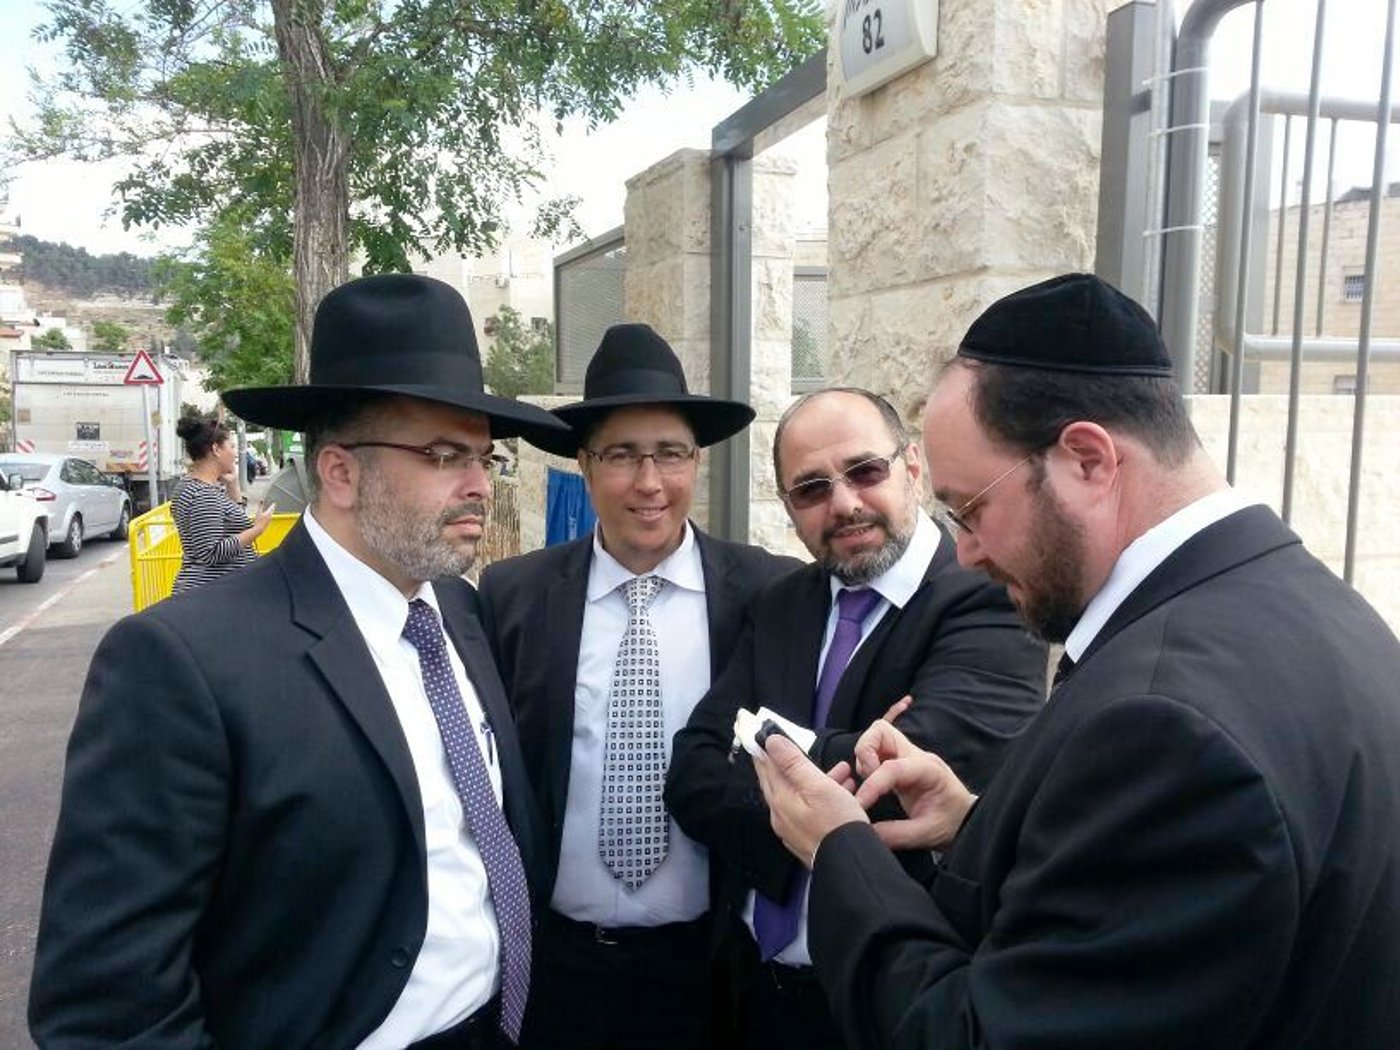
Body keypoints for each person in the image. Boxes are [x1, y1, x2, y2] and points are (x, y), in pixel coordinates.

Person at [753, 273, 1400, 1050]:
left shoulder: (1163, 728)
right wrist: (975, 826)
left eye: (972, 510)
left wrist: (839, 852)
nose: (968, 552)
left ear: (1088, 460)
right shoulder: (1332, 614)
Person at [30, 274, 571, 1050]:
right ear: (341, 472)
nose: (480, 485)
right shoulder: (181, 663)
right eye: (445, 455)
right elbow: (108, 1004)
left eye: (485, 457)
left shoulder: (457, 611)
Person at [666, 387, 1046, 1050]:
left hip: (889, 1007)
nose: (843, 503)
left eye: (864, 471)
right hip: (754, 994)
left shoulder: (990, 599)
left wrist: (756, 742)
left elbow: (899, 786)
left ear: (912, 467)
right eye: (811, 488)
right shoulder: (782, 602)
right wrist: (836, 757)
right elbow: (693, 773)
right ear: (789, 507)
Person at [475, 323, 802, 1050]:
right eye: (622, 455)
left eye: (670, 454)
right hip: (558, 973)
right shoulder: (512, 597)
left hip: (712, 974)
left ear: (697, 462)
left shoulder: (767, 594)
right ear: (585, 466)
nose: (649, 483)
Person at [170, 415, 276, 595]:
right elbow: (211, 552)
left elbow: (229, 524)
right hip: (211, 594)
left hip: (212, 591)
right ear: (216, 449)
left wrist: (233, 485)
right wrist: (258, 529)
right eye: (232, 446)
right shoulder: (203, 494)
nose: (235, 453)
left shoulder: (191, 486)